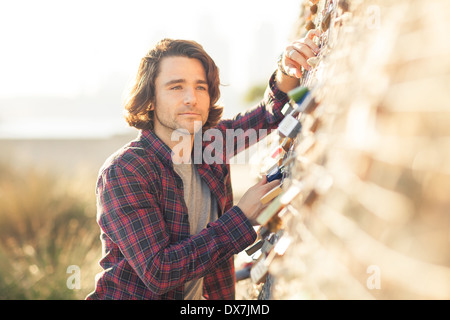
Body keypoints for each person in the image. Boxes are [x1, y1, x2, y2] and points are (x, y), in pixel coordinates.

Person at [86, 31, 320, 300]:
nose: (191, 99)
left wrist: (286, 66)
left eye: (200, 87)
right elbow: (159, 272)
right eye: (176, 87)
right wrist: (242, 218)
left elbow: (269, 115)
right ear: (150, 99)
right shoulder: (125, 171)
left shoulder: (209, 146)